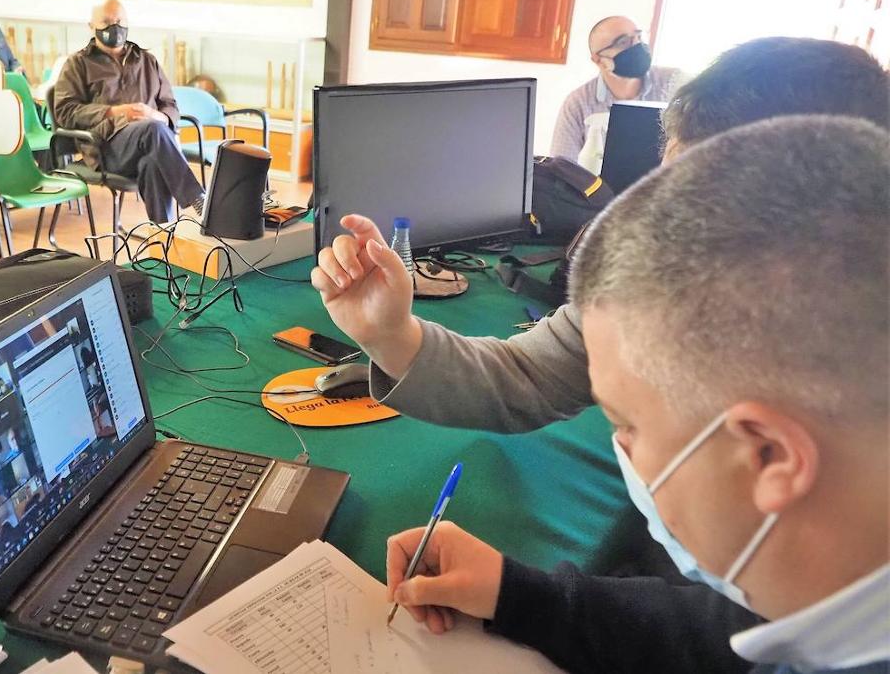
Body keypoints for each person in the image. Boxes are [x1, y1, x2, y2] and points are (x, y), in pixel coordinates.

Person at [385, 115, 889, 674]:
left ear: (770, 455)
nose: (620, 446)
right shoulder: (826, 594)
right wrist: (519, 595)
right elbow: (730, 635)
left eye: (627, 425)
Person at [312, 37, 890, 438]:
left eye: (712, 204)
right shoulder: (655, 275)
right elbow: (525, 377)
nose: (676, 226)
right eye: (671, 186)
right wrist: (392, 336)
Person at [49, 0, 204, 224]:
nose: (115, 27)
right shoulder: (78, 64)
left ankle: (164, 236)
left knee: (151, 162)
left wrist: (156, 115)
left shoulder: (147, 61)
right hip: (106, 147)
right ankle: (197, 197)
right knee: (153, 130)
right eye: (107, 22)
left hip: (151, 144)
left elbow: (170, 105)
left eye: (120, 20)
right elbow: (66, 112)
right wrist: (114, 112)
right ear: (91, 26)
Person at [550, 16, 683, 168]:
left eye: (639, 36)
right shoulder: (578, 102)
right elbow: (561, 169)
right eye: (623, 42)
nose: (637, 45)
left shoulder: (674, 83)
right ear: (598, 59)